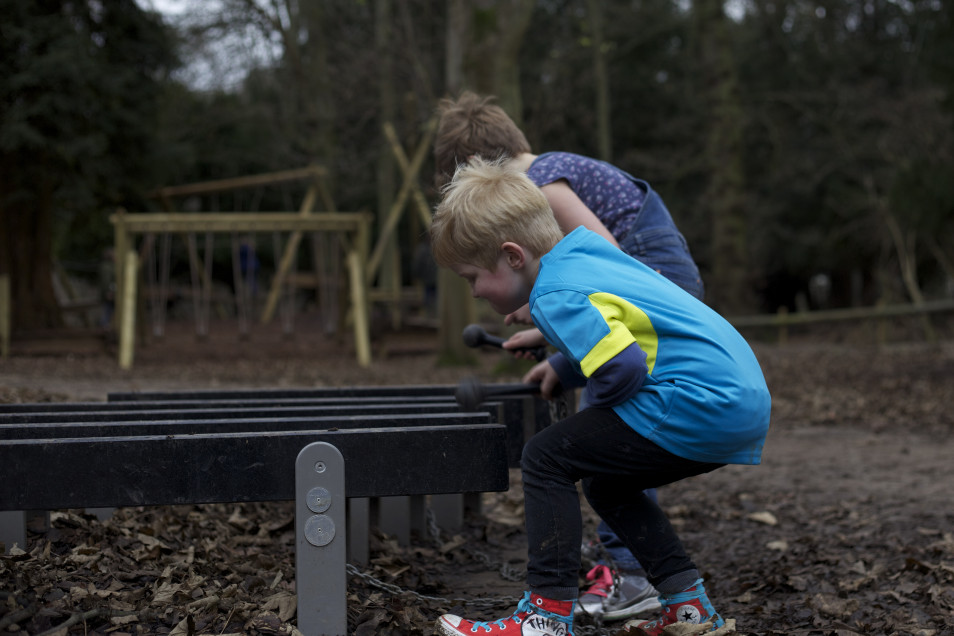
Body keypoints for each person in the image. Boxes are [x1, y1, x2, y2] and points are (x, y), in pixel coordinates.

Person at [429, 158, 770, 636]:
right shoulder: (586, 252)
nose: (475, 292)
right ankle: (688, 608)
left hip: (697, 400)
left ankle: (544, 615)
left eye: (471, 278)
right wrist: (565, 364)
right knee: (607, 483)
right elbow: (627, 337)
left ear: (512, 256)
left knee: (546, 456)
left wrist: (595, 414)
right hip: (737, 397)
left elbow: (623, 366)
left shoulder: (553, 293)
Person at [435, 90, 704, 621]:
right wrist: (560, 354)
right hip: (643, 299)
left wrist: (551, 322)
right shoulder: (553, 169)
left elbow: (607, 265)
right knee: (604, 435)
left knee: (607, 428)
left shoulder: (542, 181)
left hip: (650, 291)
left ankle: (628, 575)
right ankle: (634, 570)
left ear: (479, 172)